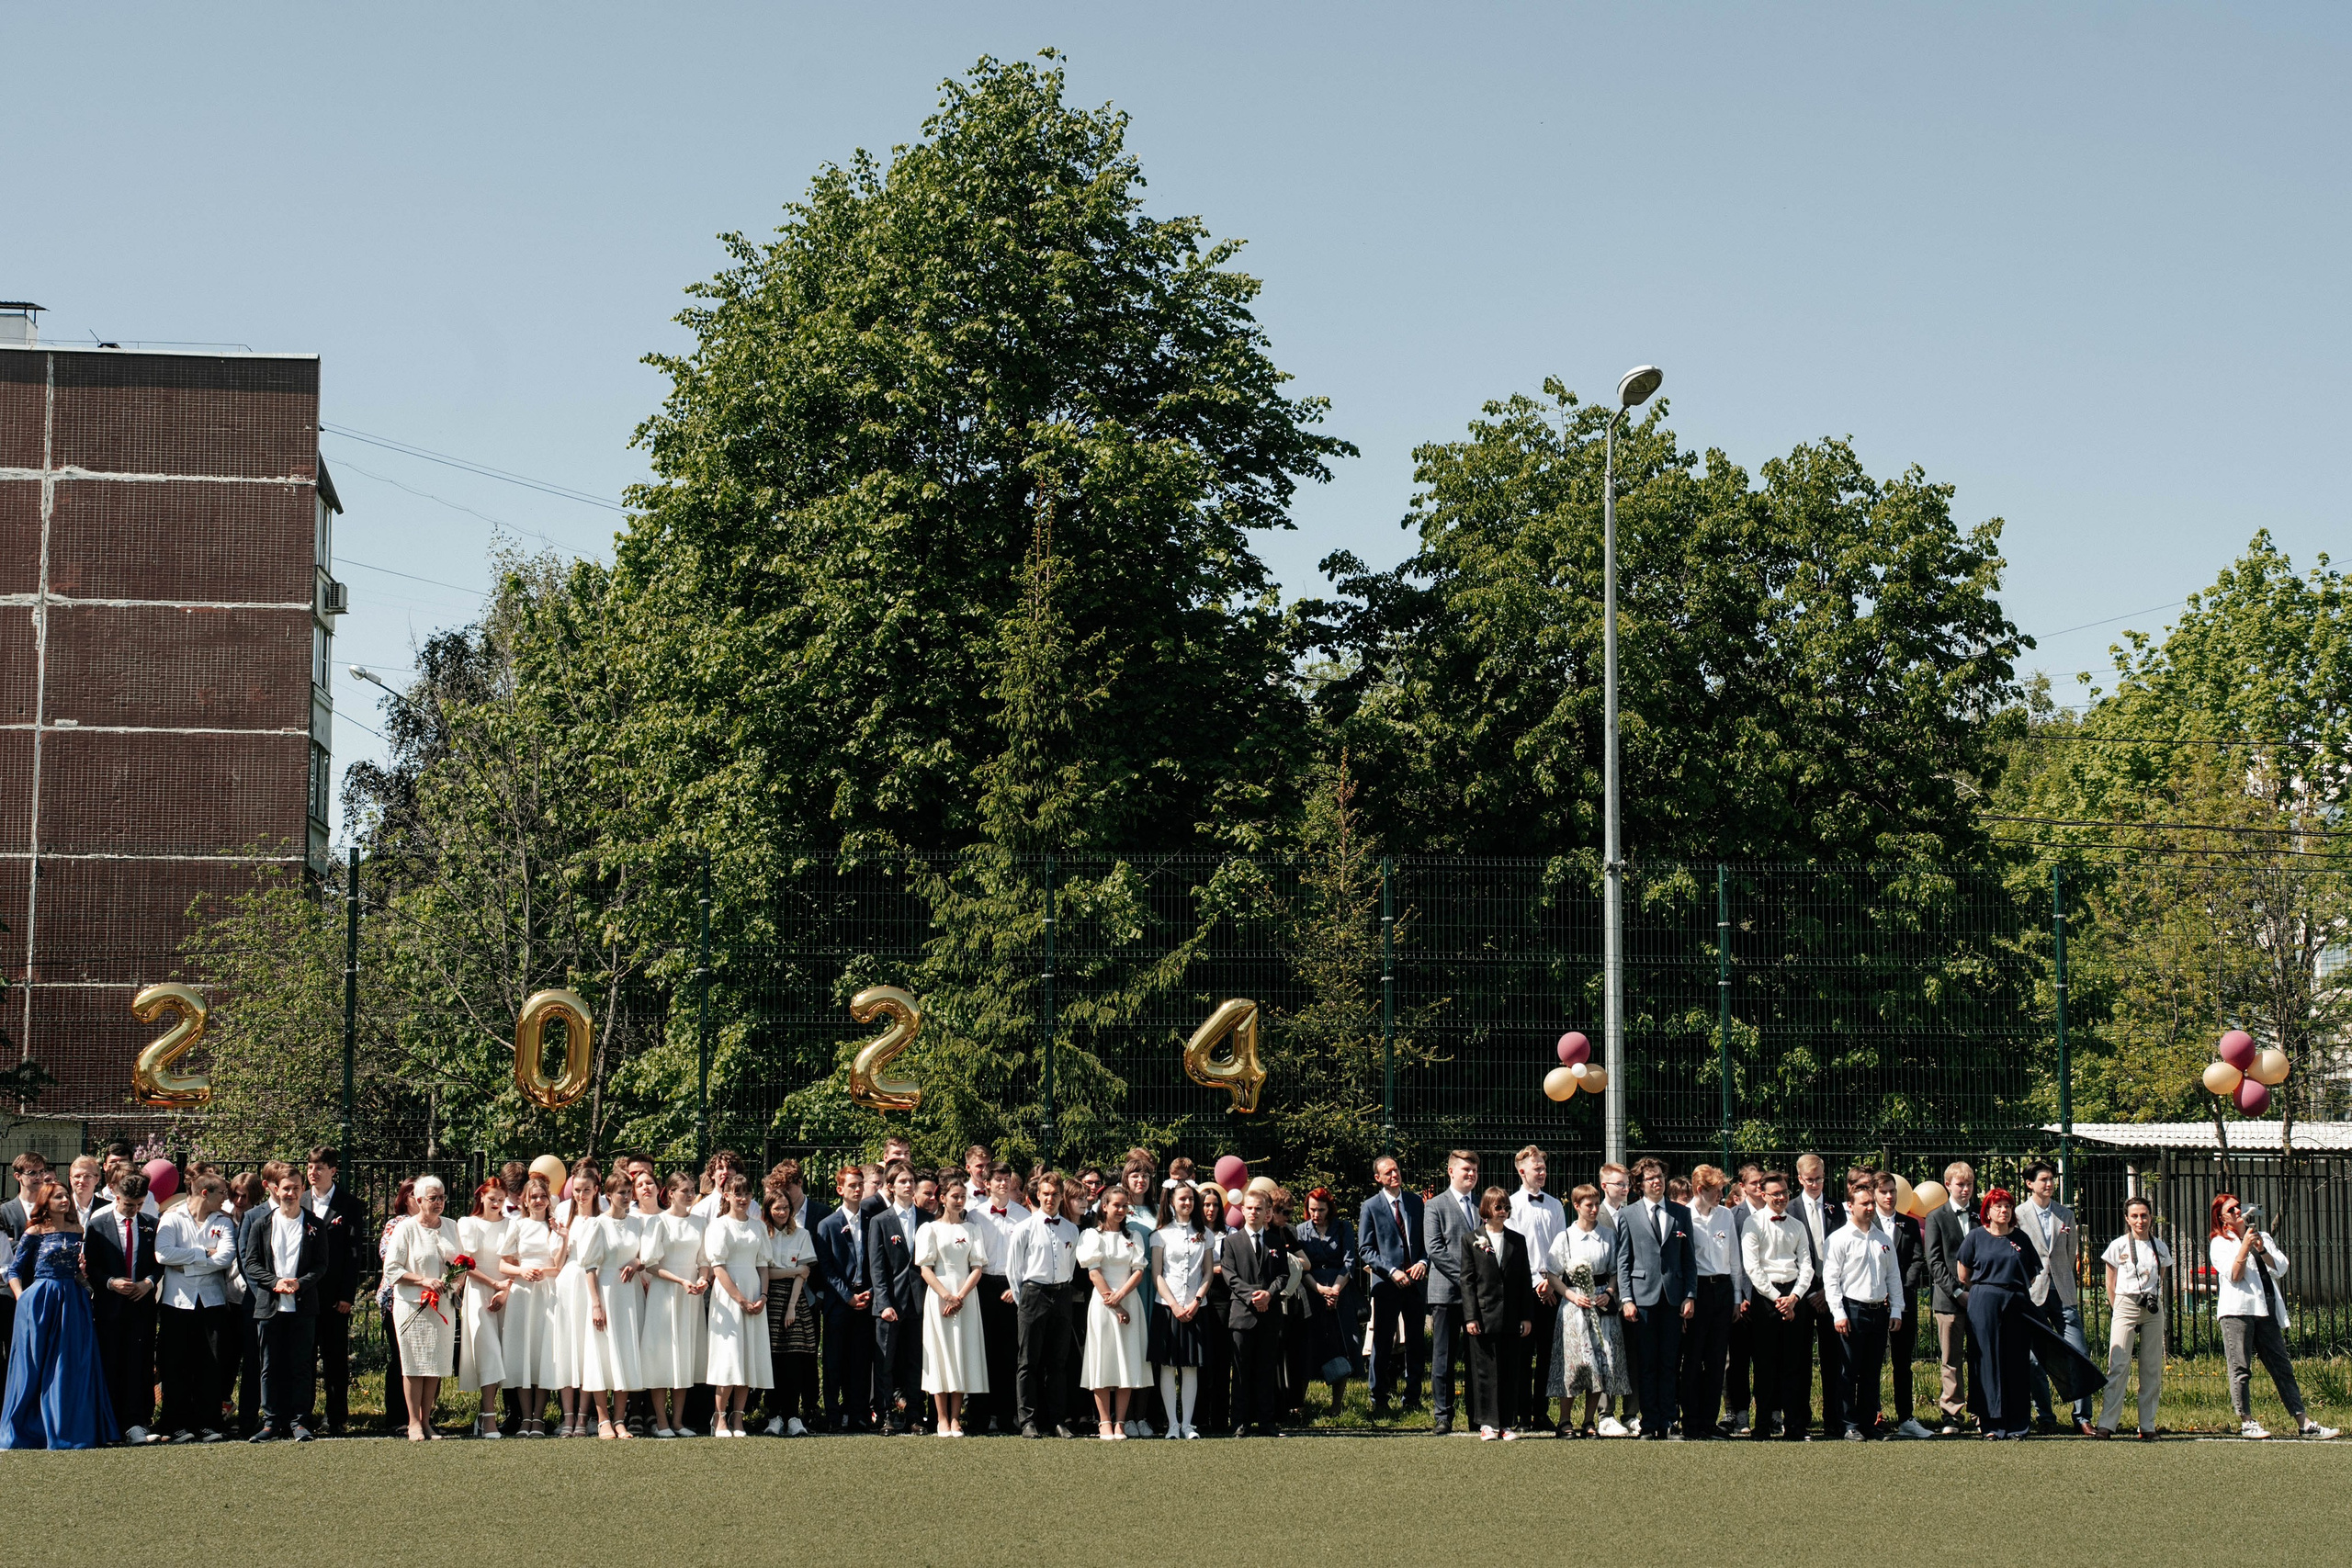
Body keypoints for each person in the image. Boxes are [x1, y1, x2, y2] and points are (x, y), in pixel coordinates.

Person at [2209, 1192, 2336, 1439]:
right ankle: (2247, 1421)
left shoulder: (2262, 1237)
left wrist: (2260, 1247)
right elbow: (2234, 1275)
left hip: (2265, 1310)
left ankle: (2304, 1422)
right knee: (2241, 1368)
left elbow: (2280, 1268)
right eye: (2231, 1210)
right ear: (2222, 1219)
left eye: (2238, 1207)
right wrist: (2244, 1246)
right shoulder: (2220, 1243)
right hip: (2237, 1311)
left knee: (2282, 1368)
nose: (2238, 1212)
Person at [2, 1178, 117, 1449]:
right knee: (34, 1364)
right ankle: (27, 1430)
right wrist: (22, 1297)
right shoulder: (35, 1232)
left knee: (71, 1364)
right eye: (58, 1197)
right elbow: (14, 1270)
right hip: (40, 1300)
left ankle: (70, 1428)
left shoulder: (79, 1230)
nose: (65, 1201)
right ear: (45, 1202)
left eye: (66, 1196)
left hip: (73, 1302)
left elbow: (77, 1270)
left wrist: (87, 1285)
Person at [235, 1160, 327, 1442]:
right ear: (275, 1189)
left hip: (303, 1306)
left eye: (296, 1188)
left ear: (302, 1190)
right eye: (286, 1188)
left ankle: (300, 1422)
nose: (291, 1193)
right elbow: (250, 1263)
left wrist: (300, 1282)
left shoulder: (314, 1224)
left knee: (301, 1365)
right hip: (269, 1306)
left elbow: (321, 1265)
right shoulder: (262, 1223)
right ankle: (271, 1422)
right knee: (269, 1366)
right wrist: (275, 1282)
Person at [154, 1171, 240, 1443]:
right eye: (222, 1194)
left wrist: (185, 1265)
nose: (227, 1199)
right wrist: (204, 1254)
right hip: (176, 1303)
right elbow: (163, 1254)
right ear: (205, 1193)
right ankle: (176, 1423)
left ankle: (208, 1423)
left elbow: (226, 1257)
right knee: (176, 1364)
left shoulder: (223, 1222)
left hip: (212, 1301)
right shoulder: (172, 1217)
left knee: (211, 1364)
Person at [1613, 1156, 1694, 1439]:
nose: (1657, 1181)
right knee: (1646, 1363)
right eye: (1650, 1178)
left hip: (1673, 1298)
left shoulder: (1680, 1213)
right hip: (1642, 1298)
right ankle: (1649, 1423)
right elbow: (1623, 1261)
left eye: (1660, 1176)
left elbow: (1689, 1259)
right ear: (1640, 1184)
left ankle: (1670, 1421)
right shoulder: (1627, 1215)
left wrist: (1689, 1294)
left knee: (1670, 1363)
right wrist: (1626, 1299)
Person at [2014, 1160, 2093, 1434]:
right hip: (2034, 1293)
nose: (2049, 1184)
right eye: (2043, 1179)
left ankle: (2082, 1417)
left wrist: (2060, 1275)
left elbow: (2070, 1253)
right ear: (2029, 1183)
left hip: (2063, 1290)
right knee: (2034, 1358)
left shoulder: (2065, 1214)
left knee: (2078, 1353)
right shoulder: (2018, 1214)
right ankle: (2045, 1417)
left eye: (2051, 1179)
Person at [381, 1174, 461, 1440]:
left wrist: (455, 1283)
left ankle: (427, 1421)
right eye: (433, 1198)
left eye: (442, 1197)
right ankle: (413, 1422)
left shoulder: (451, 1226)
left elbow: (461, 1263)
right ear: (418, 1200)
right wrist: (424, 1280)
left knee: (436, 1365)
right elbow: (392, 1268)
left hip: (443, 1306)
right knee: (414, 1365)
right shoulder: (405, 1228)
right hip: (412, 1304)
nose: (439, 1202)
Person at [1544, 1183, 1628, 1436]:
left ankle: (1590, 1421)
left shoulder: (1608, 1236)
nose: (1593, 1209)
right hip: (1575, 1307)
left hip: (1600, 1304)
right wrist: (1570, 1295)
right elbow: (1552, 1273)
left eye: (1596, 1204)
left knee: (1602, 1362)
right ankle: (1564, 1420)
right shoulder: (1566, 1237)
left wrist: (1610, 1293)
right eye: (1588, 1205)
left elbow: (1615, 1271)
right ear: (1577, 1206)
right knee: (1575, 1363)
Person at [900, 1174, 980, 1437]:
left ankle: (956, 1418)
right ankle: (941, 1418)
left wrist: (960, 1296)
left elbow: (977, 1266)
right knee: (939, 1354)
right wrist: (946, 1295)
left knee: (960, 1353)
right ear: (942, 1198)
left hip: (966, 1297)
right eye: (954, 1196)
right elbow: (925, 1268)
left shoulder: (972, 1229)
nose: (959, 1201)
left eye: (963, 1197)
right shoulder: (929, 1229)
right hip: (938, 1297)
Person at [86, 1168, 162, 1442]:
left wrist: (148, 1283)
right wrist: (110, 1283)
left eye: (139, 1205)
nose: (133, 1210)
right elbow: (90, 1266)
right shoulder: (98, 1225)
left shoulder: (151, 1224)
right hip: (109, 1307)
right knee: (110, 1364)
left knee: (138, 1365)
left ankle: (136, 1423)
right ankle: (108, 1424)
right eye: (129, 1205)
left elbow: (158, 1264)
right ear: (116, 1197)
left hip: (141, 1306)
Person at [1821, 1181, 1900, 1440]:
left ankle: (1869, 1424)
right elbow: (1831, 1279)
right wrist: (1838, 1313)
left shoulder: (1883, 1239)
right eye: (1863, 1203)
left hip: (1879, 1312)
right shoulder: (1839, 1239)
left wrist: (1897, 1310)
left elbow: (1893, 1277)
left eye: (1871, 1203)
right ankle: (1848, 1424)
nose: (1869, 1207)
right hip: (1852, 1309)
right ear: (1850, 1206)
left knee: (1871, 1371)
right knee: (1847, 1371)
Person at [1953, 1188, 2033, 1438]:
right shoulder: (1976, 1237)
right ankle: (1991, 1425)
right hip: (1984, 1303)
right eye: (1998, 1206)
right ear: (1987, 1210)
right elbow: (1963, 1274)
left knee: (2017, 1361)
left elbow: (2030, 1274)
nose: (2004, 1210)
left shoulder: (2021, 1239)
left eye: (2008, 1206)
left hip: (2016, 1303)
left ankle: (2018, 1424)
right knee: (1986, 1361)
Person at [1007, 1170, 1080, 1438]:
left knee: (1058, 1362)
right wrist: (1023, 1301)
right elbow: (1014, 1270)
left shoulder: (1071, 1229)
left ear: (1062, 1196)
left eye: (1055, 1194)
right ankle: (1027, 1420)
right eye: (1045, 1194)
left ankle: (1057, 1420)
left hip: (1061, 1295)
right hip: (1033, 1294)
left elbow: (1070, 1266)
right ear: (1037, 1195)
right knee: (1028, 1361)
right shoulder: (1024, 1227)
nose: (1050, 1199)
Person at [1739, 1171, 1812, 1441]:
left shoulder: (1797, 1226)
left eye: (1784, 1192)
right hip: (1765, 1298)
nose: (1781, 1197)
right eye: (1775, 1193)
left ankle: (1794, 1425)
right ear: (1763, 1193)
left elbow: (1806, 1265)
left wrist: (1794, 1297)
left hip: (1794, 1296)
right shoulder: (1752, 1223)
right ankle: (1762, 1426)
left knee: (1794, 1364)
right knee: (1765, 1365)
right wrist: (1775, 1298)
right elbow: (1752, 1267)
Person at [638, 1171, 709, 1438]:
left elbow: (705, 1259)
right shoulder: (658, 1223)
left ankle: (678, 1422)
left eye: (692, 1190)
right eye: (684, 1191)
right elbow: (651, 1264)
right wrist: (680, 1280)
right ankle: (662, 1421)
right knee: (662, 1357)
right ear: (670, 1194)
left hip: (689, 1298)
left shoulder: (700, 1223)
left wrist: (702, 1279)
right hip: (665, 1295)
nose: (690, 1195)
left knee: (685, 1357)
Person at [1679, 1164, 1747, 1440]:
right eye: (1717, 1191)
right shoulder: (1684, 1217)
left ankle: (1709, 1421)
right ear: (1699, 1190)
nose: (1721, 1195)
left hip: (1722, 1290)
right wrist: (1688, 1296)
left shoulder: (1726, 1215)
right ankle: (1691, 1421)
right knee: (1694, 1360)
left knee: (1718, 1360)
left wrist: (1736, 1298)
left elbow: (1734, 1259)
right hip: (1698, 1292)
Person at [1074, 1189, 1148, 1438]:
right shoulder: (1091, 1236)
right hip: (1103, 1305)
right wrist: (1114, 1303)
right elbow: (1093, 1272)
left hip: (1130, 1302)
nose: (1121, 1210)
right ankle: (1104, 1422)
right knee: (1103, 1360)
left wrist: (1122, 1296)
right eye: (1116, 1205)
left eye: (1125, 1206)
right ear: (1104, 1206)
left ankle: (1121, 1423)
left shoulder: (1134, 1235)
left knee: (1127, 1360)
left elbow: (1138, 1270)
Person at [301, 1145, 365, 1436]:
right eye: (310, 1167)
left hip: (334, 1296)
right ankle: (302, 1414)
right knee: (304, 1357)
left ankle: (336, 1417)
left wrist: (346, 1296)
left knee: (335, 1358)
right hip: (304, 1293)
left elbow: (354, 1253)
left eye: (320, 1168)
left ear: (333, 1170)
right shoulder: (299, 1200)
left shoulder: (349, 1205)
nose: (313, 1173)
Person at [701, 1173, 772, 1436]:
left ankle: (738, 1418)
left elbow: (763, 1265)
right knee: (728, 1357)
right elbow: (717, 1267)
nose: (742, 1199)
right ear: (727, 1196)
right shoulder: (718, 1226)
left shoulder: (758, 1227)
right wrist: (740, 1299)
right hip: (728, 1298)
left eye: (747, 1194)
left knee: (748, 1356)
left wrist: (762, 1297)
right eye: (737, 1193)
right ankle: (719, 1419)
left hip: (754, 1294)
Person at [1460, 1187, 1532, 1440]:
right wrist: (1470, 1317)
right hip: (1483, 1315)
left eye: (1506, 1207)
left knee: (1509, 1370)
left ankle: (1506, 1423)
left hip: (1511, 1316)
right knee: (1484, 1372)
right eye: (1498, 1207)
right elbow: (1467, 1282)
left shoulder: (1517, 1240)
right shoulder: (1472, 1240)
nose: (1503, 1212)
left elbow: (1524, 1279)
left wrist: (1525, 1316)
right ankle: (1487, 1423)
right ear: (1486, 1210)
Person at [1357, 1154, 1426, 1418]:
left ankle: (1412, 1397)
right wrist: (1392, 1271)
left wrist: (1423, 1261)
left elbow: (1426, 1240)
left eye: (1396, 1170)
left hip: (1416, 1282)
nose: (1394, 1175)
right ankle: (1379, 1397)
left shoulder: (1415, 1202)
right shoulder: (1371, 1206)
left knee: (1416, 1343)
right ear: (1378, 1178)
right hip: (1387, 1284)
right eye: (1388, 1173)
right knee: (1382, 1343)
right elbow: (1365, 1248)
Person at [576, 1172, 644, 1438]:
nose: (626, 1197)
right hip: (605, 1293)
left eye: (629, 1192)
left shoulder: (637, 1224)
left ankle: (619, 1419)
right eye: (620, 1192)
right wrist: (595, 1304)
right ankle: (603, 1418)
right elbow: (590, 1267)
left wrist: (636, 1264)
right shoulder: (597, 1225)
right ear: (608, 1195)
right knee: (601, 1354)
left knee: (625, 1354)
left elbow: (644, 1256)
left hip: (629, 1295)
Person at [1220, 1188, 1292, 1438]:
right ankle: (1239, 1421)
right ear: (1241, 1210)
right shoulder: (1231, 1242)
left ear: (1267, 1213)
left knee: (1265, 1369)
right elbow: (1230, 1276)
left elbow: (1283, 1274)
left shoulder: (1276, 1240)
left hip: (1269, 1314)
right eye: (1249, 1208)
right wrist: (1254, 1296)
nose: (1254, 1212)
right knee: (1241, 1371)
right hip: (1242, 1315)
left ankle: (1266, 1422)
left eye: (1259, 1208)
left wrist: (1269, 1294)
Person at [2096, 1196, 2168, 1440]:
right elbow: (2110, 1282)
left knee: (2151, 1368)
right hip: (2126, 1303)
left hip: (2152, 1307)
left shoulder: (2160, 1246)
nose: (2140, 1220)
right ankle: (2107, 1423)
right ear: (2127, 1219)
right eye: (2135, 1216)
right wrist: (2118, 1307)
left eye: (2144, 1215)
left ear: (2151, 1218)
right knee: (2118, 1365)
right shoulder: (2118, 1246)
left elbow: (2161, 1278)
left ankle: (2147, 1425)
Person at [498, 1175, 564, 1437]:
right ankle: (525, 1418)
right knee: (523, 1354)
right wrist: (522, 1270)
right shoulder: (517, 1226)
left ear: (548, 1199)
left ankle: (539, 1418)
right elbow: (504, 1264)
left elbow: (560, 1264)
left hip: (548, 1292)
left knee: (543, 1353)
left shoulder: (555, 1227)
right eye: (533, 1196)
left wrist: (544, 1272)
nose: (538, 1201)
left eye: (542, 1196)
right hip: (523, 1294)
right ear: (524, 1200)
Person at [1506, 1145, 1566, 1431]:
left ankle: (1541, 1413)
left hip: (1551, 1288)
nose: (1542, 1172)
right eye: (1536, 1168)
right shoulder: (1511, 1205)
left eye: (1543, 1167)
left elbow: (1560, 1248)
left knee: (1546, 1354)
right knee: (1521, 1354)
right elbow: (1513, 1251)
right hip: (1523, 1289)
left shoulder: (1555, 1205)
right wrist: (1534, 1282)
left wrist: (1551, 1282)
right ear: (1522, 1171)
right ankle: (1520, 1414)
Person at [865, 1161, 926, 1435]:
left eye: (911, 1180)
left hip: (920, 1303)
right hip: (890, 1304)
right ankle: (885, 1415)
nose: (908, 1185)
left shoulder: (927, 1219)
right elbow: (876, 1267)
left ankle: (915, 1415)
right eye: (902, 1181)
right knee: (885, 1363)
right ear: (890, 1187)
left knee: (916, 1362)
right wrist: (884, 1303)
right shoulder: (880, 1221)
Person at [1150, 1179, 1214, 1438]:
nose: (1187, 1203)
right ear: (1172, 1202)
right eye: (1182, 1199)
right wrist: (1175, 1305)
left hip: (1196, 1307)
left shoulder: (1206, 1234)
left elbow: (1208, 1271)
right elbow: (1157, 1274)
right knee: (1167, 1366)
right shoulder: (1160, 1234)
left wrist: (1197, 1300)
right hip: (1167, 1307)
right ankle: (1172, 1425)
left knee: (1190, 1367)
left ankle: (1188, 1424)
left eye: (1190, 1199)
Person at [966, 1160, 1026, 1433]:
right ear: (986, 1184)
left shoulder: (1024, 1216)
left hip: (1012, 1285)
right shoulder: (975, 1215)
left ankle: (1006, 1415)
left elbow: (1028, 1258)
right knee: (982, 1350)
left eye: (1006, 1179)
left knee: (1009, 1353)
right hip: (982, 1285)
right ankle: (979, 1415)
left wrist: (1016, 1288)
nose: (1003, 1184)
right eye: (997, 1179)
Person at [1871, 1172, 1932, 1438]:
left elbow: (1919, 1260)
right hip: (1872, 1302)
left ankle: (1906, 1418)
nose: (1889, 1196)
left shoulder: (1908, 1224)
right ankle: (1872, 1416)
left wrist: (1900, 1291)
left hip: (1903, 1303)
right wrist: (1880, 1291)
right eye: (1884, 1191)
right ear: (1874, 1193)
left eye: (1892, 1191)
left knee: (1902, 1363)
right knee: (1871, 1363)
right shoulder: (1866, 1223)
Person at [1424, 1149, 1481, 1437]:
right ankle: (1443, 1416)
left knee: (1475, 1359)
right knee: (1443, 1358)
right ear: (1451, 1172)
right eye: (1465, 1170)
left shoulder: (1481, 1206)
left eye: (1473, 1171)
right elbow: (1435, 1249)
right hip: (1445, 1293)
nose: (1470, 1175)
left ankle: (1476, 1416)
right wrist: (1465, 1278)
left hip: (1476, 1296)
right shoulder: (1435, 1205)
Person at [813, 1163, 873, 1432]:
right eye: (852, 1185)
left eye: (861, 1184)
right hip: (839, 1302)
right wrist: (848, 1296)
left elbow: (876, 1261)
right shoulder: (828, 1224)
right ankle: (834, 1417)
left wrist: (869, 1291)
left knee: (860, 1360)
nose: (858, 1189)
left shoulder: (873, 1221)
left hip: (866, 1299)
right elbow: (826, 1268)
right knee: (834, 1361)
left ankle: (858, 1414)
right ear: (840, 1190)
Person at [1293, 1186, 1360, 1421]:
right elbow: (1299, 1266)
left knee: (1339, 1348)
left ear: (1329, 1209)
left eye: (1321, 1210)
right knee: (1307, 1347)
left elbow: (1349, 1262)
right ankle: (1299, 1406)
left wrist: (1336, 1290)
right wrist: (1320, 1289)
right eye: (1312, 1209)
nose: (1316, 1214)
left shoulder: (1343, 1228)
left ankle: (1336, 1407)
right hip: (1311, 1293)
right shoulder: (1300, 1230)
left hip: (1340, 1292)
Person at [1921, 1160, 1978, 1433]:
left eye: (1969, 1184)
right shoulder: (1936, 1216)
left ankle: (1982, 1412)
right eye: (1960, 1184)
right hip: (1948, 1301)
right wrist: (1957, 1292)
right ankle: (1952, 1415)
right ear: (1948, 1185)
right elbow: (1934, 1261)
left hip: (1979, 1299)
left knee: (1981, 1357)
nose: (1965, 1189)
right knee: (1951, 1359)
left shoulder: (1981, 1215)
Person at [549, 1168, 607, 1437]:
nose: (581, 1195)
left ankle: (584, 1418)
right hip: (568, 1283)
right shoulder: (564, 1215)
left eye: (586, 1190)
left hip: (593, 1285)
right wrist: (562, 1239)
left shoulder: (604, 1218)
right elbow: (558, 1262)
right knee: (567, 1348)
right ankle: (568, 1417)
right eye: (577, 1190)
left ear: (596, 1189)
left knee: (589, 1350)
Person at [1791, 1154, 1843, 1442]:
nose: (1814, 1184)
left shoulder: (1837, 1209)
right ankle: (1798, 1422)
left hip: (1831, 1293)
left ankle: (1834, 1423)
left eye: (1819, 1179)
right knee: (1799, 1361)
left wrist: (1827, 1291)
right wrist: (1808, 1291)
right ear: (1799, 1178)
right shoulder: (1790, 1208)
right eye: (1809, 1179)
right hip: (1801, 1294)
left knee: (1833, 1361)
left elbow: (1843, 1252)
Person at [762, 1175, 819, 1436]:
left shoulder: (803, 1234)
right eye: (777, 1208)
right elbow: (766, 1273)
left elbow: (805, 1273)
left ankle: (794, 1416)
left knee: (795, 1359)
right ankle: (773, 1415)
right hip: (769, 1298)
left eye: (786, 1208)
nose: (782, 1212)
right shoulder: (762, 1234)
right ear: (768, 1210)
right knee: (772, 1359)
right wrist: (792, 1271)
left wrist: (793, 1306)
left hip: (794, 1300)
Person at [455, 1180, 511, 1438]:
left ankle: (483, 1412)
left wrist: (504, 1290)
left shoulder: (511, 1225)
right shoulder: (469, 1224)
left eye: (501, 1198)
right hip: (479, 1293)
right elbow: (466, 1264)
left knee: (501, 1353)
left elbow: (513, 1261)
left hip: (505, 1294)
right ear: (482, 1198)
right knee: (488, 1351)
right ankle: (489, 1417)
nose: (496, 1203)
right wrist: (493, 1284)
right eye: (492, 1198)